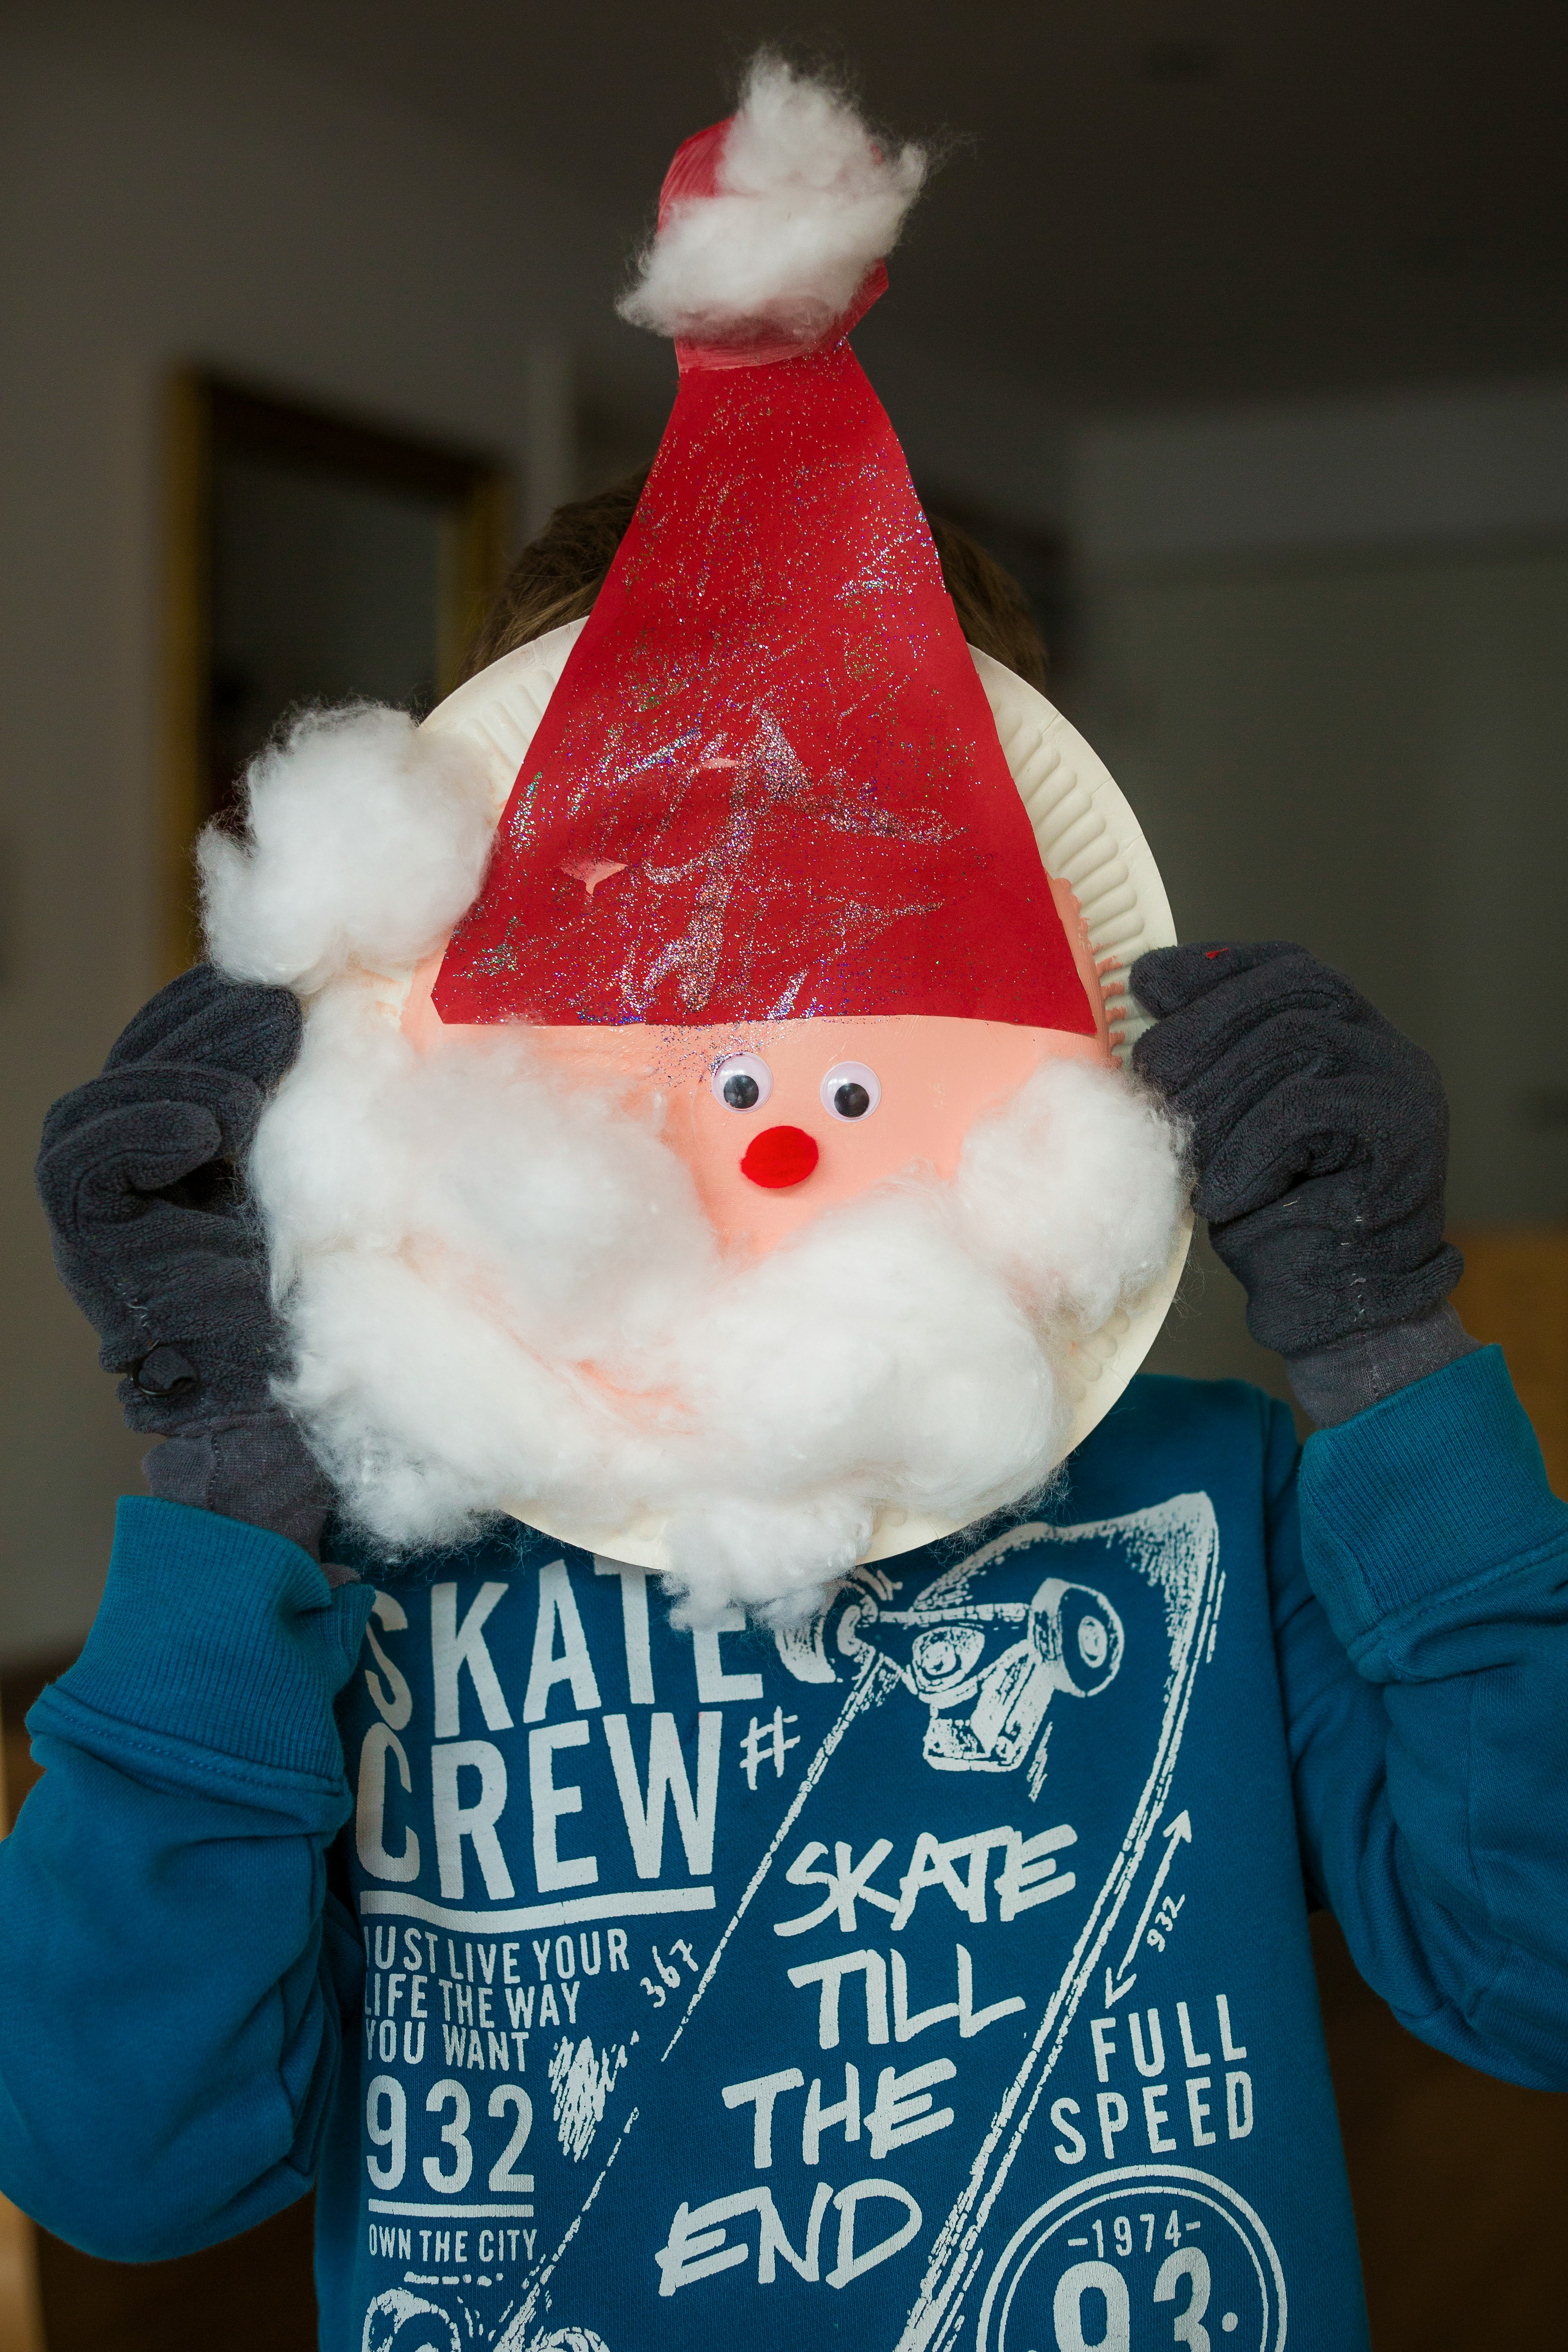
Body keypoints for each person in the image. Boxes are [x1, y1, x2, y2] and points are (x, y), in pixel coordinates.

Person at [5, 57, 1568, 2352]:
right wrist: (230, 1502)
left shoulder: (1217, 1519)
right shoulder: (346, 1597)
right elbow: (122, 2176)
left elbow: (1536, 1980)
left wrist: (1387, 1361)